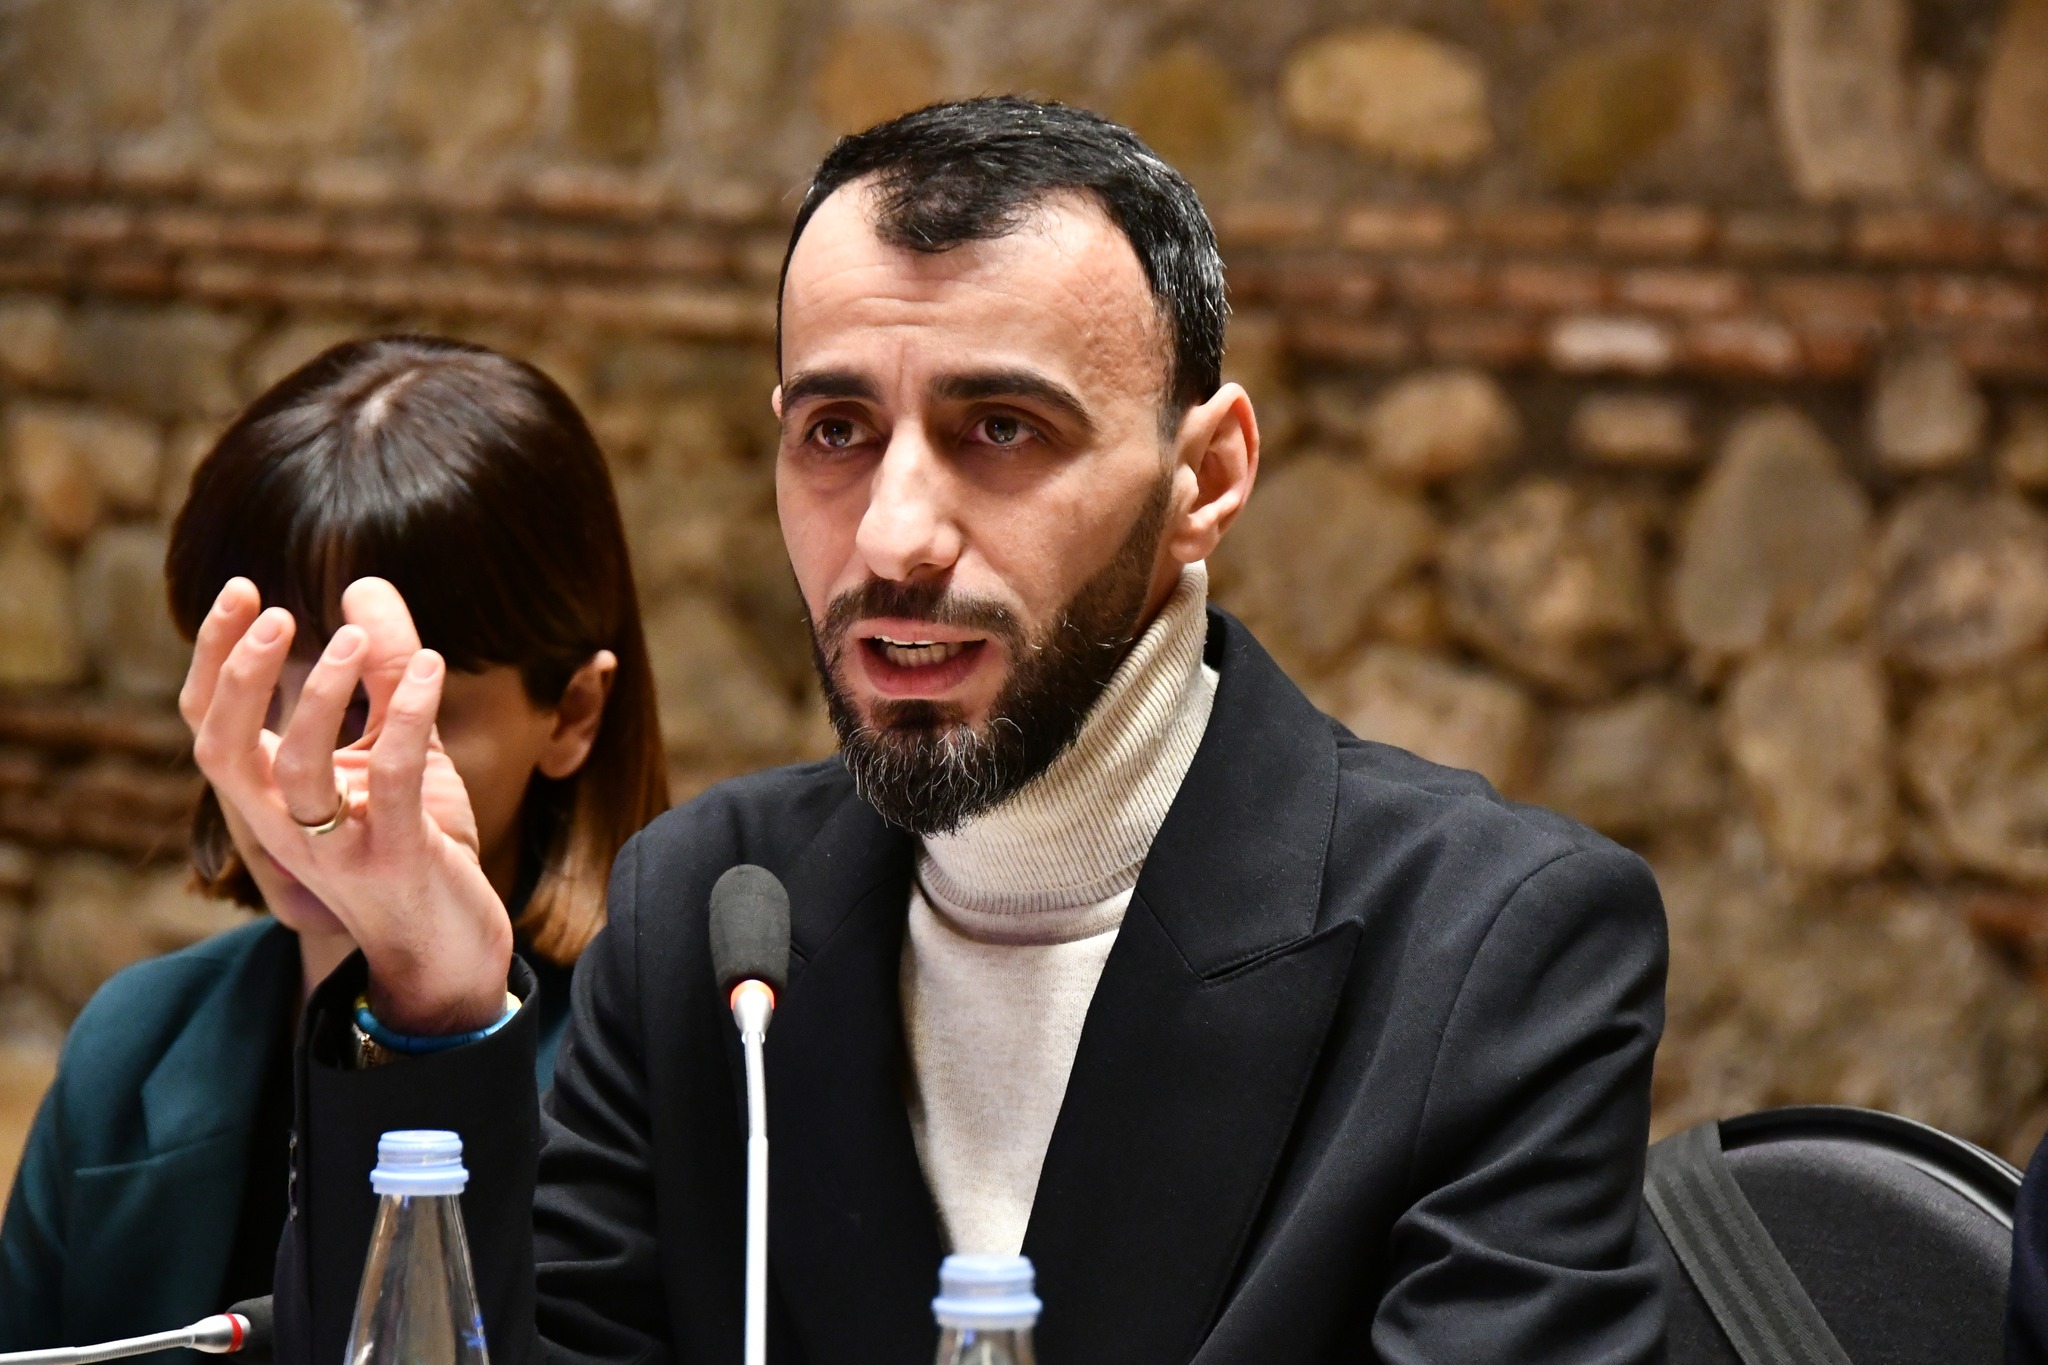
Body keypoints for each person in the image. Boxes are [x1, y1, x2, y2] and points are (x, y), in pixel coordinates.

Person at [195, 99, 1667, 1364]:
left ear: (1205, 477)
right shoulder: (705, 911)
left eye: (1001, 430)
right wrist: (432, 998)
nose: (894, 536)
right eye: (836, 432)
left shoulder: (1489, 945)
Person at [0, 337, 669, 1352]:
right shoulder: (137, 1045)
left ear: (571, 713)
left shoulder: (645, 1070)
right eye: (254, 694)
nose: (293, 768)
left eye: (369, 711)